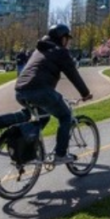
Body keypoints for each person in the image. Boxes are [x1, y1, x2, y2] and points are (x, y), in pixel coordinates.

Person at [16, 24, 93, 165]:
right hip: (41, 91)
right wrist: (85, 93)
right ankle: (60, 154)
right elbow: (72, 73)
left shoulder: (38, 50)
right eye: (67, 39)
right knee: (65, 116)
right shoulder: (60, 52)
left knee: (42, 117)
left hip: (20, 91)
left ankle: (28, 148)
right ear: (62, 38)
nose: (67, 42)